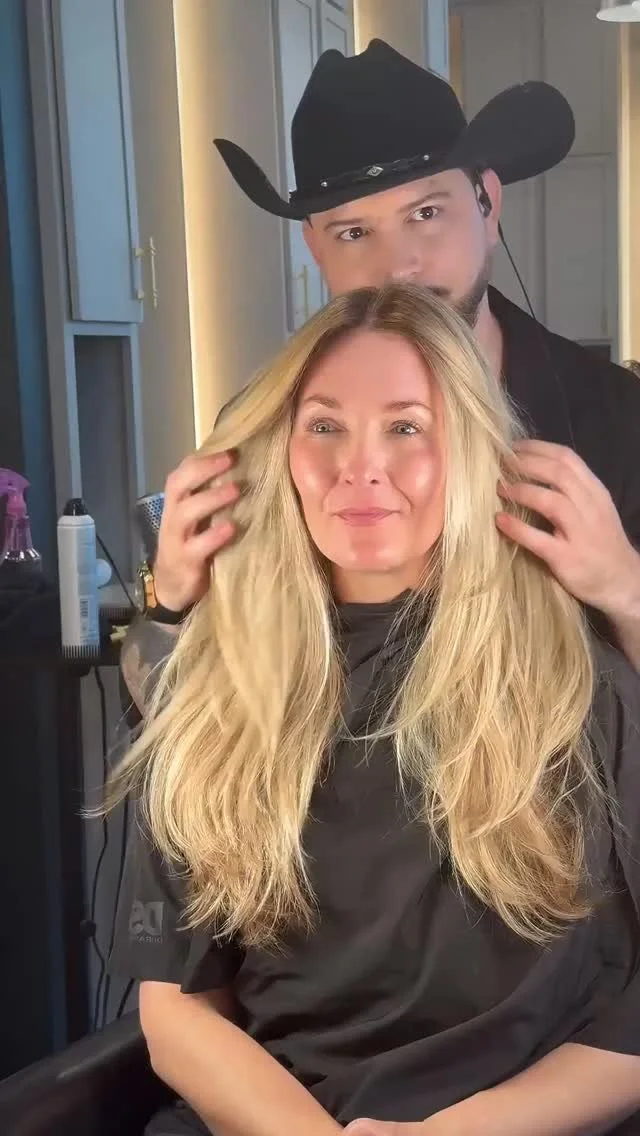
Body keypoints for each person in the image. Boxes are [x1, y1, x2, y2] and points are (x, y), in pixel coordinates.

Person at [107, 284, 640, 1136]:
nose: (360, 467)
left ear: (470, 451)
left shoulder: (575, 686)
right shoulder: (216, 696)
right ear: (280, 452)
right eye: (324, 426)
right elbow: (177, 1012)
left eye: (406, 427)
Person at [123, 38, 640, 720]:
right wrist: (173, 605)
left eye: (426, 214)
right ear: (314, 246)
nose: (398, 265)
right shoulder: (263, 432)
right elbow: (195, 719)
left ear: (487, 203)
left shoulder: (619, 419)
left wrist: (627, 589)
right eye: (353, 232)